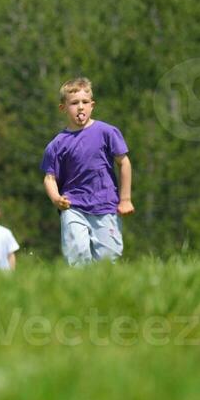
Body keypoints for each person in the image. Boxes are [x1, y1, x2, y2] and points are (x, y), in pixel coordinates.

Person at [41, 77, 134, 266]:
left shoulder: (107, 132)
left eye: (85, 102)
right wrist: (56, 198)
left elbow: (124, 163)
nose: (80, 107)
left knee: (108, 260)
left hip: (106, 206)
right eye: (74, 103)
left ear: (92, 105)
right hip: (73, 207)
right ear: (63, 108)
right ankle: (78, 291)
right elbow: (49, 178)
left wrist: (125, 199)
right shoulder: (57, 144)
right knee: (76, 254)